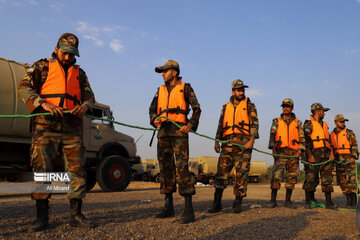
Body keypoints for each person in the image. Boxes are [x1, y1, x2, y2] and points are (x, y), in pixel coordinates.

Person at [18, 33, 95, 232]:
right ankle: (42, 216)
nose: (68, 57)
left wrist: (85, 106)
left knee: (77, 171)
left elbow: (89, 97)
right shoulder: (41, 66)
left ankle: (76, 215)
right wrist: (42, 103)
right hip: (45, 126)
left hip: (72, 127)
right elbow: (24, 88)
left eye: (72, 54)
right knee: (42, 171)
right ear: (56, 48)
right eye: (65, 53)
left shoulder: (80, 73)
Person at [149, 60, 201, 224]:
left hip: (179, 132)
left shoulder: (186, 88)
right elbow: (152, 109)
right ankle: (168, 206)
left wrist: (191, 124)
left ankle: (188, 209)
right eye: (162, 72)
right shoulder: (160, 90)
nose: (163, 74)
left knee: (182, 168)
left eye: (165, 71)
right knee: (165, 168)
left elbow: (197, 108)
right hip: (163, 132)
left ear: (174, 72)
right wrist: (154, 119)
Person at [207, 79, 259, 213]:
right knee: (221, 174)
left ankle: (237, 202)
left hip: (244, 145)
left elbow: (254, 124)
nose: (241, 92)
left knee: (241, 174)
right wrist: (217, 141)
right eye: (239, 90)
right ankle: (216, 203)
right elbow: (220, 124)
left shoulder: (249, 105)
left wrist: (252, 140)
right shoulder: (225, 107)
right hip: (227, 144)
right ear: (233, 91)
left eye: (242, 90)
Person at [268, 98, 305, 208]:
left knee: (292, 177)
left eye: (288, 106)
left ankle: (288, 201)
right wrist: (273, 151)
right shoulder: (276, 121)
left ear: (292, 108)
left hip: (293, 153)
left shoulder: (298, 123)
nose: (285, 108)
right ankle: (272, 200)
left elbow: (302, 139)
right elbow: (272, 136)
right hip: (280, 152)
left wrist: (299, 151)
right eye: (284, 106)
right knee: (276, 176)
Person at [303, 103, 336, 209]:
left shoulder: (324, 124)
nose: (324, 114)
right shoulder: (309, 124)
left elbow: (329, 141)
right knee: (311, 178)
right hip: (314, 153)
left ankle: (329, 202)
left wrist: (331, 154)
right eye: (323, 111)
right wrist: (309, 155)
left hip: (326, 154)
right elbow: (305, 141)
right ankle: (309, 202)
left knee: (327, 178)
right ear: (318, 111)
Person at [330, 114, 359, 208]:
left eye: (343, 121)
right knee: (342, 181)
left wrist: (353, 157)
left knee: (351, 180)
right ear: (335, 122)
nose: (343, 123)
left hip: (348, 159)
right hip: (338, 160)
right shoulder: (332, 134)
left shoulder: (349, 133)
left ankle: (354, 202)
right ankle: (348, 201)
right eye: (341, 121)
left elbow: (354, 146)